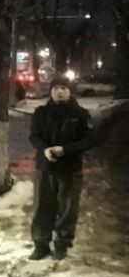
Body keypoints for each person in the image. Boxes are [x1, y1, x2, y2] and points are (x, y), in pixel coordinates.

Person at [28, 77, 94, 260]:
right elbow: (34, 136)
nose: (59, 91)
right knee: (42, 207)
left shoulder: (80, 114)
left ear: (70, 91)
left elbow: (89, 140)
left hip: (70, 169)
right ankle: (40, 245)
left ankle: (62, 246)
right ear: (50, 91)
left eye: (63, 88)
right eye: (56, 88)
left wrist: (65, 150)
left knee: (67, 209)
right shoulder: (41, 113)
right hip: (45, 167)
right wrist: (44, 150)